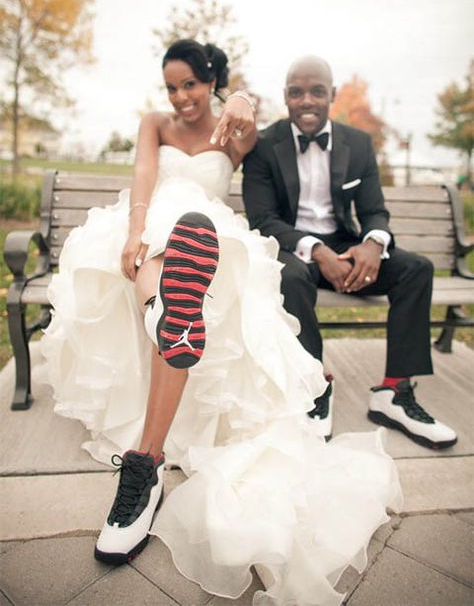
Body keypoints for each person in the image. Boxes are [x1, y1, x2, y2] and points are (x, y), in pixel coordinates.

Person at [39, 41, 402, 606]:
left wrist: (240, 97)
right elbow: (142, 174)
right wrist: (134, 227)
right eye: (172, 87)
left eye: (191, 84)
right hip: (147, 219)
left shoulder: (239, 133)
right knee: (157, 243)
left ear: (210, 80)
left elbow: (257, 119)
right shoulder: (153, 123)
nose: (181, 97)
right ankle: (163, 316)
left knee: (195, 243)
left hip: (208, 229)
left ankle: (149, 440)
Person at [242, 55, 457, 450]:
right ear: (285, 97)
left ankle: (394, 393)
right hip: (292, 246)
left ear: (332, 96)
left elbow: (374, 210)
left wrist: (373, 244)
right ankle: (313, 387)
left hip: (344, 246)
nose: (307, 100)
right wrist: (316, 250)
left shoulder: (357, 144)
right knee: (288, 276)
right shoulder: (263, 147)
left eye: (317, 92)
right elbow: (263, 219)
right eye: (296, 92)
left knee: (417, 270)